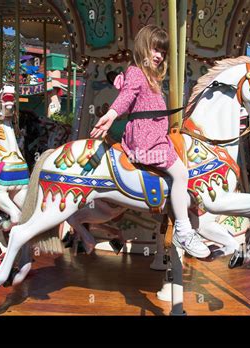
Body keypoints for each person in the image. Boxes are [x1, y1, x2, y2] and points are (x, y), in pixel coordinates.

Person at [90, 24, 210, 258]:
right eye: (155, 49)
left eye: (162, 52)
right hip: (145, 142)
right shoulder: (136, 72)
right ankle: (184, 232)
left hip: (157, 138)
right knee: (181, 173)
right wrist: (111, 114)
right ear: (143, 47)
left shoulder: (150, 78)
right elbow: (126, 97)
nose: (158, 55)